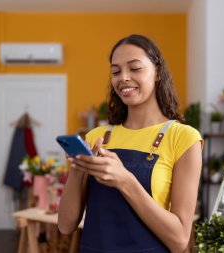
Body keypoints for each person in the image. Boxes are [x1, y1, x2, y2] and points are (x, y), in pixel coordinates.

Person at [58, 34, 203, 253]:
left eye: (135, 68)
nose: (123, 78)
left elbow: (180, 240)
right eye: (115, 71)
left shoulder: (183, 138)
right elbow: (66, 225)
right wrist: (78, 170)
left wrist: (125, 181)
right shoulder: (97, 137)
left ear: (157, 73)